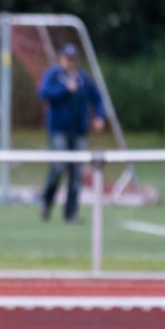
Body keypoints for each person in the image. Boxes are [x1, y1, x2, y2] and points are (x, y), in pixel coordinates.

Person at [38, 42, 106, 223]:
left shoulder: (84, 78)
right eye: (67, 58)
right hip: (58, 130)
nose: (70, 62)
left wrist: (99, 116)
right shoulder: (54, 75)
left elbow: (98, 99)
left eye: (73, 58)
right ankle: (46, 202)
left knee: (77, 174)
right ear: (62, 59)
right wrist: (64, 89)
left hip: (79, 132)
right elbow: (44, 93)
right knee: (58, 167)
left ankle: (71, 213)